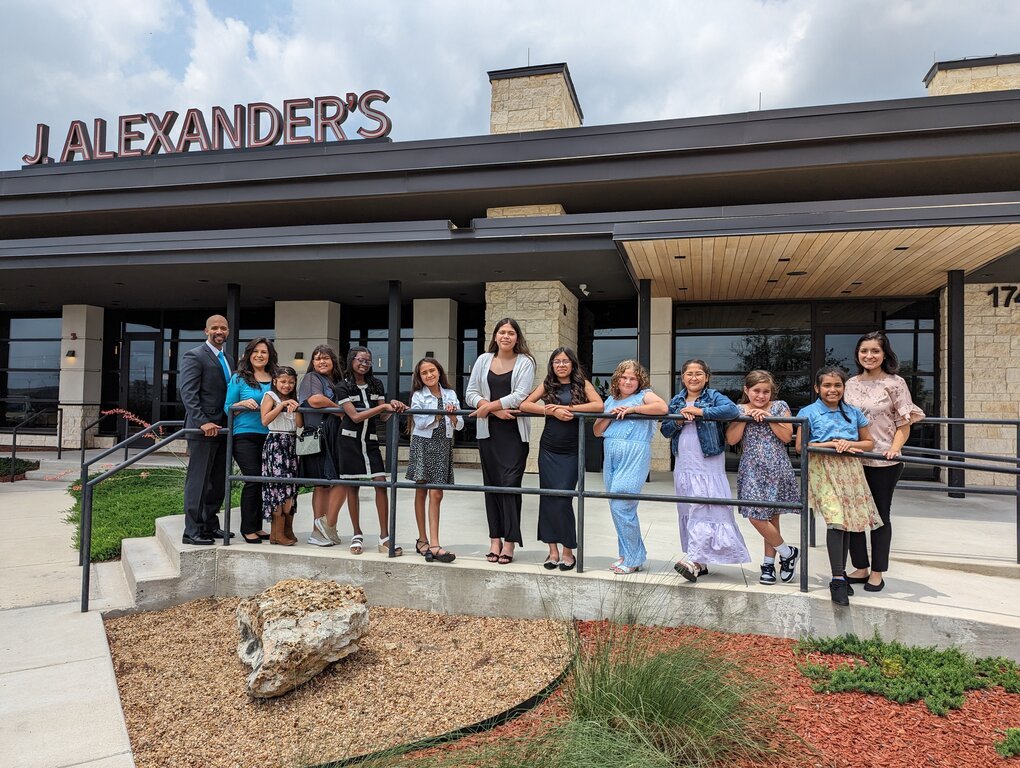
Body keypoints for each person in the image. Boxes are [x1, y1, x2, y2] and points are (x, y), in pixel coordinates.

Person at [844, 331, 924, 592]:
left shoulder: (895, 383)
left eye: (875, 351)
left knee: (879, 515)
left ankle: (877, 571)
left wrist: (894, 449)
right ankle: (860, 567)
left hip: (883, 461)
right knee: (854, 515)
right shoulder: (851, 384)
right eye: (864, 351)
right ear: (858, 354)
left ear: (884, 354)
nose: (869, 356)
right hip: (854, 458)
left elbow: (904, 423)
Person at [796, 366, 881, 606]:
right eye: (827, 385)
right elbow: (801, 447)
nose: (832, 390)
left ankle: (841, 573)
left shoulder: (853, 412)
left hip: (849, 471)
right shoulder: (808, 412)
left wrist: (848, 443)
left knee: (846, 522)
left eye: (837, 385)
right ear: (817, 388)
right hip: (822, 469)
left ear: (844, 388)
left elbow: (869, 443)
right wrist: (832, 444)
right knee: (836, 520)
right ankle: (836, 580)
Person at [661, 359, 749, 583]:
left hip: (707, 463)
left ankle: (694, 559)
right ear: (683, 377)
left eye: (699, 373)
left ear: (707, 377)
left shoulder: (714, 397)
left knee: (705, 506)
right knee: (690, 508)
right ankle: (700, 561)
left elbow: (731, 410)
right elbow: (665, 429)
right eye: (689, 373)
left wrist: (700, 411)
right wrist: (679, 420)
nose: (694, 377)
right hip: (684, 463)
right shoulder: (677, 400)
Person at [520, 347, 603, 571]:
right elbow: (525, 405)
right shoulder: (548, 384)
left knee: (564, 499)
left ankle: (568, 551)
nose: (561, 365)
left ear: (572, 364)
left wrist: (568, 409)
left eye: (565, 361)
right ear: (552, 365)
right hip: (549, 449)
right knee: (548, 499)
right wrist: (550, 411)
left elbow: (598, 405)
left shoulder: (582, 384)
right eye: (557, 361)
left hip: (572, 450)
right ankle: (552, 551)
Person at [466, 318, 536, 565]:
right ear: (495, 336)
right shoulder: (483, 360)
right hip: (488, 433)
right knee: (492, 487)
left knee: (509, 486)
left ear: (517, 338)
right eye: (502, 332)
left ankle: (510, 543)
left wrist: (490, 406)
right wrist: (493, 411)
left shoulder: (526, 362)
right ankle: (494, 539)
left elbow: (520, 396)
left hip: (515, 435)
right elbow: (470, 393)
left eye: (511, 333)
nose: (506, 336)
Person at [725, 370, 800, 585]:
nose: (761, 396)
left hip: (776, 466)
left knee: (771, 516)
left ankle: (769, 564)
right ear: (746, 390)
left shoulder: (779, 406)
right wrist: (746, 418)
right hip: (751, 467)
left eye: (766, 391)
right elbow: (731, 439)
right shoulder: (739, 409)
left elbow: (786, 436)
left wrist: (769, 418)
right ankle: (788, 552)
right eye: (756, 391)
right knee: (755, 514)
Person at [593, 360, 667, 575]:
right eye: (624, 377)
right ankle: (628, 554)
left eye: (632, 378)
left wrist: (633, 409)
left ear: (639, 380)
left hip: (634, 455)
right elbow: (597, 431)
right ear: (617, 379)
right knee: (616, 506)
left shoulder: (645, 395)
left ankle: (633, 558)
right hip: (611, 456)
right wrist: (612, 413)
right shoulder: (611, 400)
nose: (627, 381)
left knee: (622, 506)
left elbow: (662, 408)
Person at [336, 346, 407, 556]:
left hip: (371, 441)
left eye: (368, 361)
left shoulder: (376, 383)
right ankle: (356, 534)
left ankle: (384, 537)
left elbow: (383, 417)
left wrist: (391, 406)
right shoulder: (343, 386)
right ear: (351, 360)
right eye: (360, 360)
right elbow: (355, 417)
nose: (364, 364)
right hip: (349, 442)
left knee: (381, 484)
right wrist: (382, 408)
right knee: (353, 487)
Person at [179, 314, 235, 545]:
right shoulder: (195, 356)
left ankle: (210, 525)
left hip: (224, 429)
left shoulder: (228, 358)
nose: (219, 331)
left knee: (218, 480)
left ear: (228, 331)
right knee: (199, 480)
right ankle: (191, 531)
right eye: (214, 328)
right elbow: (188, 393)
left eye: (223, 328)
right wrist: (202, 422)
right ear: (206, 331)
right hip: (203, 430)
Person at [406, 357, 463, 563]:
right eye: (424, 373)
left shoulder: (450, 394)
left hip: (443, 445)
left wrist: (454, 417)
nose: (429, 375)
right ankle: (423, 540)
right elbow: (419, 422)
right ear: (419, 377)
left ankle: (436, 543)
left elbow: (460, 424)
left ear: (439, 372)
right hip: (423, 444)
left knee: (437, 493)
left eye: (432, 370)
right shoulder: (418, 396)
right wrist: (440, 415)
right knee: (421, 491)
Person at [224, 336, 276, 544]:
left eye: (263, 352)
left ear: (270, 355)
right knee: (253, 478)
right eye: (255, 351)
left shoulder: (275, 377)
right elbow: (227, 407)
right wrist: (242, 403)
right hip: (244, 435)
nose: (259, 355)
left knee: (264, 481)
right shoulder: (239, 378)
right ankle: (247, 528)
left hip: (270, 436)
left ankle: (257, 526)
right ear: (248, 354)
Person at [297, 345, 347, 548]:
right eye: (317, 359)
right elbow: (316, 400)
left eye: (325, 358)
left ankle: (326, 528)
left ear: (333, 361)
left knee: (338, 481)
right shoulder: (311, 378)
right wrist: (340, 410)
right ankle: (319, 530)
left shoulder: (336, 381)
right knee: (323, 484)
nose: (321, 362)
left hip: (335, 435)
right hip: (318, 435)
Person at [260, 366, 302, 545]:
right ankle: (276, 533)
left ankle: (286, 530)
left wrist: (297, 408)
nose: (287, 385)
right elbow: (265, 420)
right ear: (275, 381)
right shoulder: (270, 396)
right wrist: (282, 406)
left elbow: (299, 424)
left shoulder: (294, 399)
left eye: (291, 382)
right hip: (276, 443)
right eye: (283, 381)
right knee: (278, 488)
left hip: (291, 444)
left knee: (290, 489)